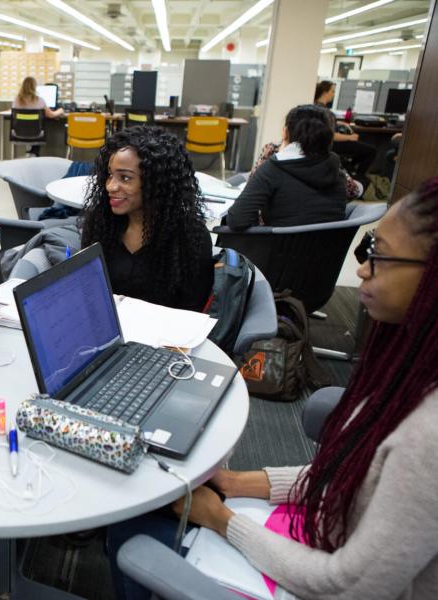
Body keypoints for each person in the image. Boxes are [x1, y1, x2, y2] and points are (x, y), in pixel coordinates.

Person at [109, 176, 438, 600]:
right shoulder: (413, 373)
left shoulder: (426, 439)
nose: (360, 269)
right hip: (332, 535)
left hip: (327, 580)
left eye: (377, 255)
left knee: (135, 526)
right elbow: (350, 480)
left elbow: (349, 585)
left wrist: (222, 520)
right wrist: (236, 482)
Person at [81, 126, 213, 311]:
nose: (110, 186)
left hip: (163, 335)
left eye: (125, 178)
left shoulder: (191, 236)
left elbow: (192, 311)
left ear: (157, 182)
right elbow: (90, 293)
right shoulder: (101, 222)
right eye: (110, 175)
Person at [226, 104, 348, 230]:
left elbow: (237, 220)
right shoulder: (337, 172)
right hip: (327, 248)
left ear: (285, 132)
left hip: (278, 247)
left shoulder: (273, 169)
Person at [315, 80, 376, 190]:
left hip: (326, 144)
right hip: (332, 144)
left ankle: (350, 169)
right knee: (371, 151)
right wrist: (350, 137)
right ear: (325, 92)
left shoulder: (316, 106)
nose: (334, 94)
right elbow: (331, 135)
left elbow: (323, 125)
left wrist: (339, 122)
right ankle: (358, 178)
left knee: (361, 150)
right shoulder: (324, 111)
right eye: (332, 91)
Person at [12, 76, 64, 157]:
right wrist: (60, 110)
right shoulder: (39, 100)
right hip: (36, 134)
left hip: (18, 133)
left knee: (32, 127)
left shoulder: (16, 100)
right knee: (39, 128)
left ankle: (30, 153)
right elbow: (51, 115)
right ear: (34, 87)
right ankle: (33, 153)